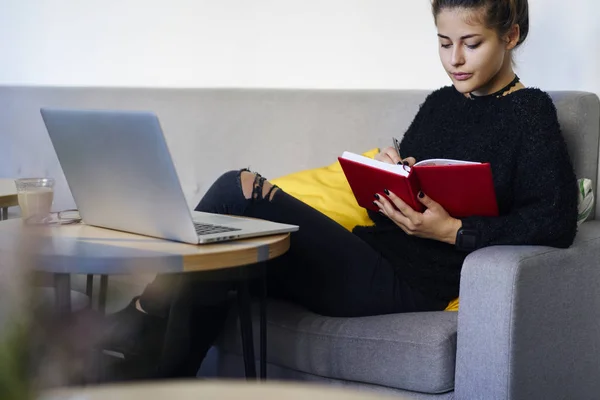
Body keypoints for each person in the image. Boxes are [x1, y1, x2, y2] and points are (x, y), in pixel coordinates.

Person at [103, 0, 578, 379]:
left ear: (510, 36)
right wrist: (392, 178)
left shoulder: (530, 114)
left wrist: (453, 231)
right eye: (443, 43)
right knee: (228, 255)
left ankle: (141, 314)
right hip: (369, 252)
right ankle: (155, 379)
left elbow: (554, 220)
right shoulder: (439, 104)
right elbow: (389, 204)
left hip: (410, 285)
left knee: (238, 190)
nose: (454, 59)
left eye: (471, 44)